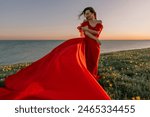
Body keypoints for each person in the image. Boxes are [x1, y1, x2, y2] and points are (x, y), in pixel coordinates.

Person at [0, 7, 111, 100]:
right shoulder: (85, 23)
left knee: (93, 62)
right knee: (82, 61)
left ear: (93, 13)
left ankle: (92, 80)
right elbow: (88, 34)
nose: (86, 16)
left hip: (95, 46)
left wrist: (92, 35)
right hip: (86, 43)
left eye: (88, 13)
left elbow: (96, 32)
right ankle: (86, 81)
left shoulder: (98, 23)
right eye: (85, 14)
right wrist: (93, 37)